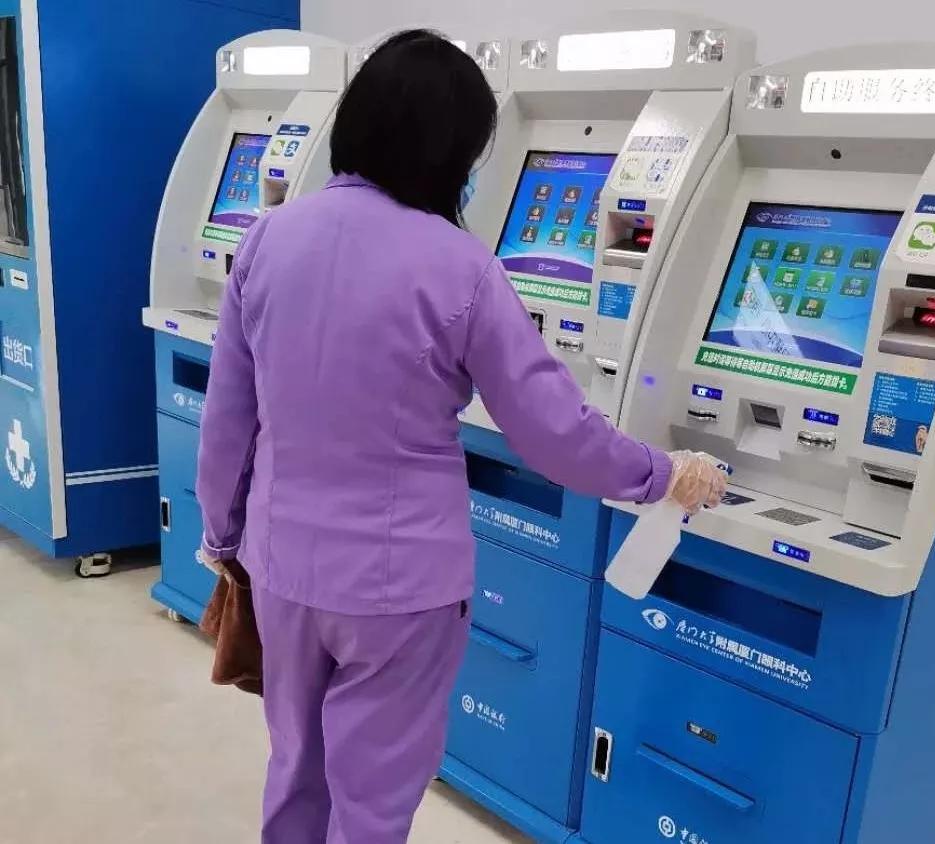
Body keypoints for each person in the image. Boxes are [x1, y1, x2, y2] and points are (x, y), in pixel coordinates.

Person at [196, 29, 727, 844]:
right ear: (450, 152)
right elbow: (556, 432)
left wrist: (223, 538)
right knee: (372, 802)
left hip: (283, 566)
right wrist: (662, 473)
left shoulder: (269, 238)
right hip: (400, 586)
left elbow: (229, 418)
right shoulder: (460, 266)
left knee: (296, 770)